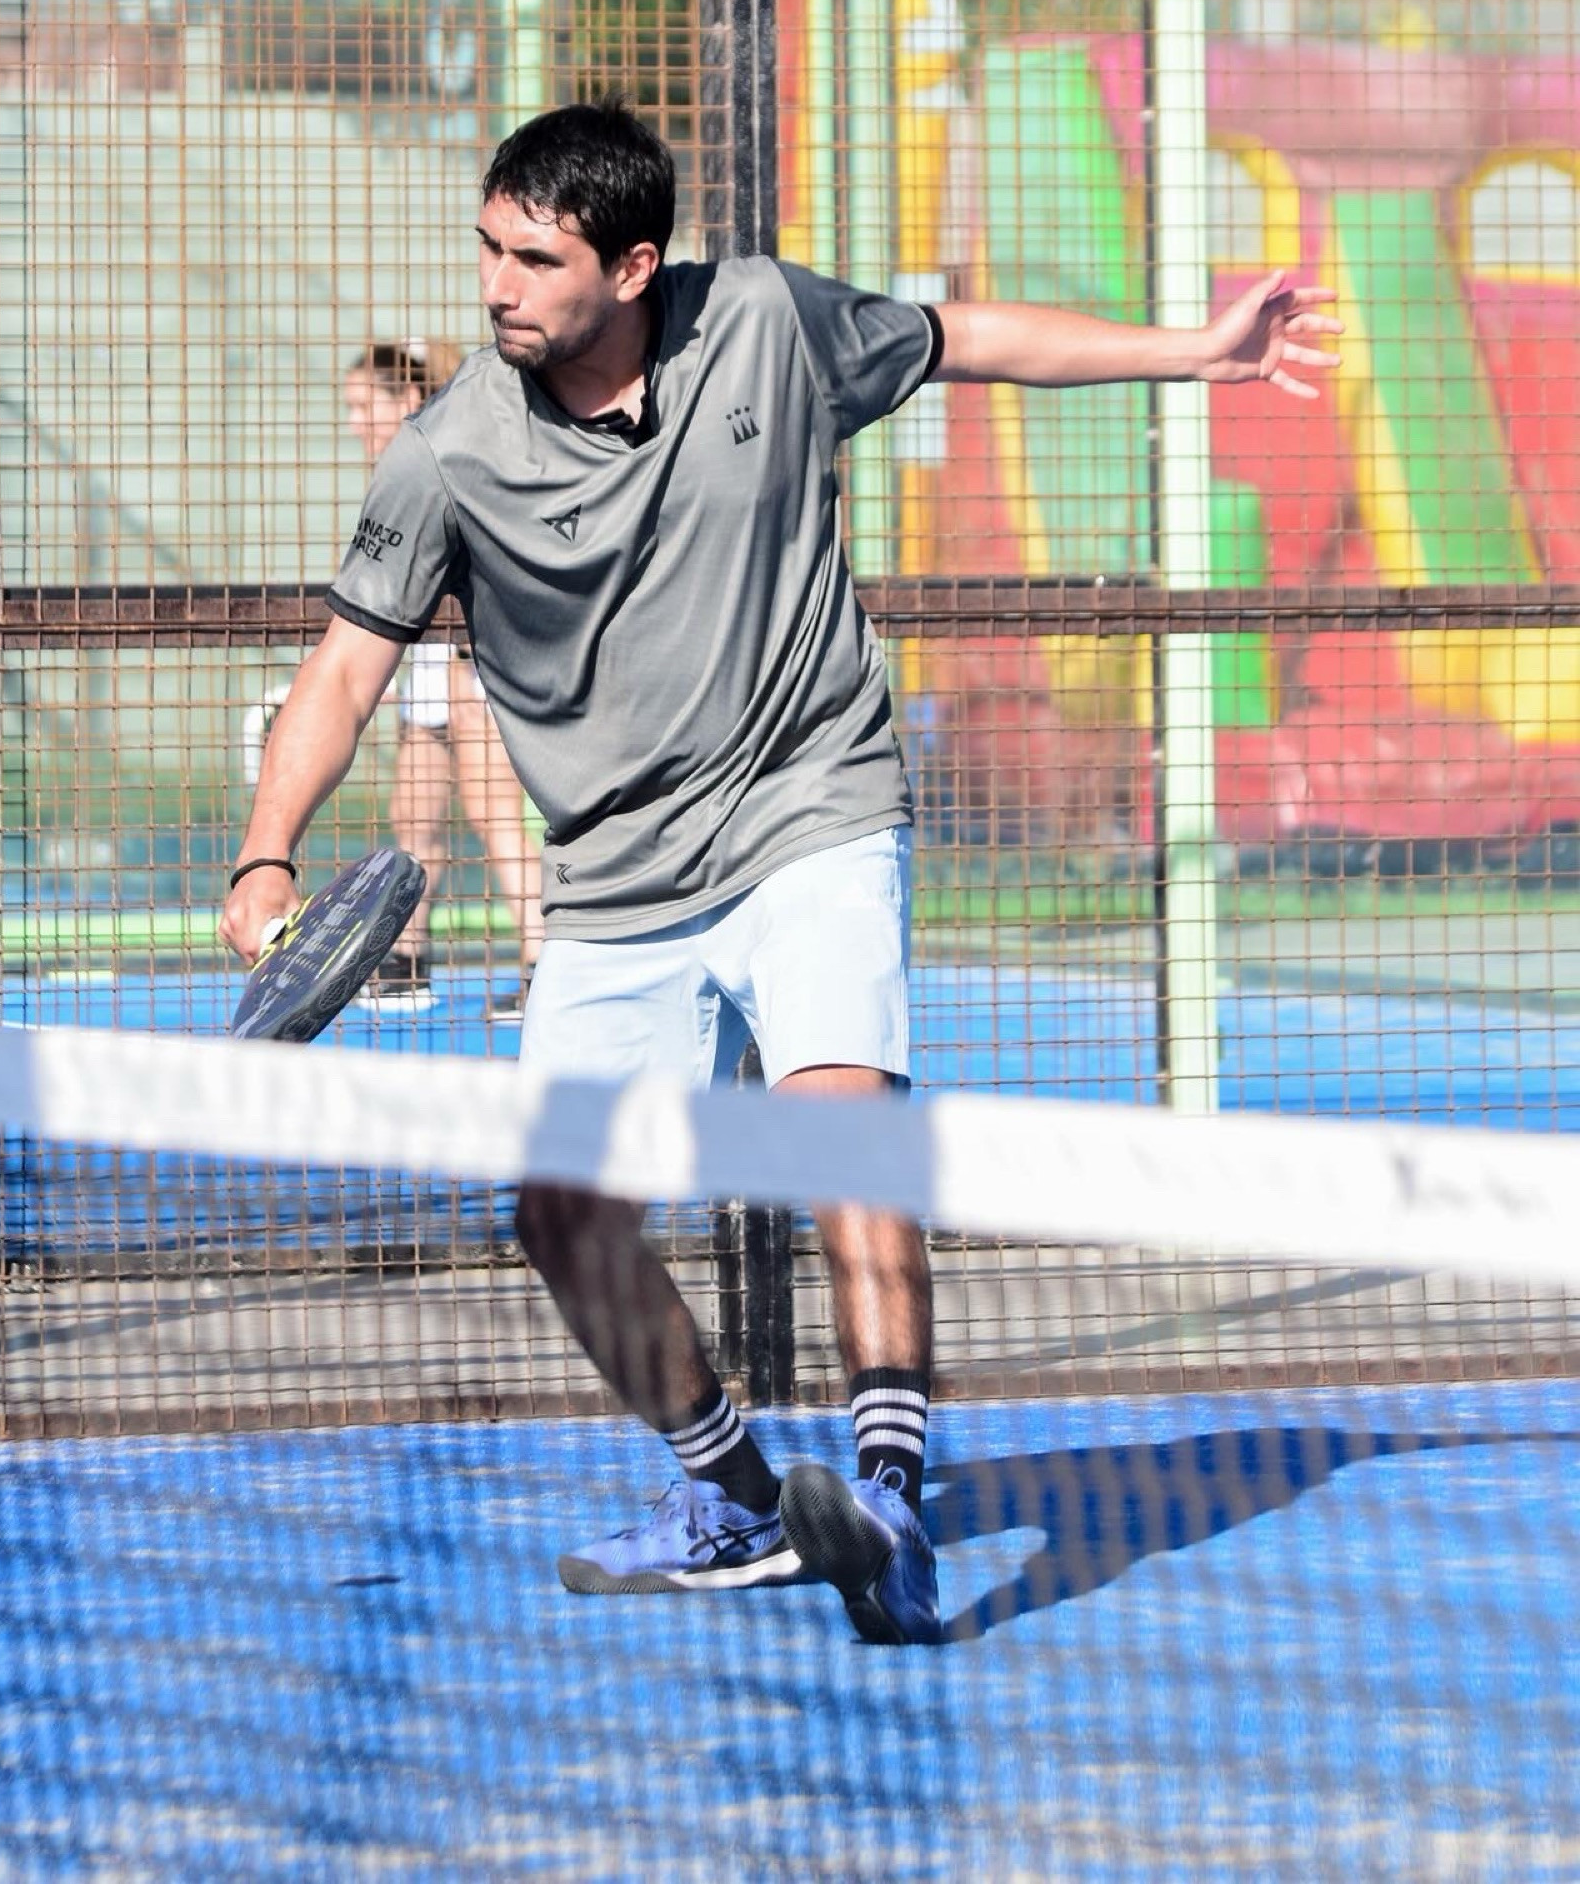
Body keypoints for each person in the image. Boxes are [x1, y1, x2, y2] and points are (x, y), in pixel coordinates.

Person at [220, 100, 1339, 1644]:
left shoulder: (762, 322)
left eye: (534, 261)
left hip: (810, 801)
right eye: (487, 249)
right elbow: (347, 667)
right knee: (560, 1212)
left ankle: (889, 1502)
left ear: (633, 265)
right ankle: (737, 1494)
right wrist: (263, 852)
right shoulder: (448, 453)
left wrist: (1195, 352)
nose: (495, 287)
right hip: (616, 872)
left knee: (843, 1131)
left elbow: (966, 339)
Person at [337, 340, 545, 1011]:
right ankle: (406, 956)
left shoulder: (450, 452)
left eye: (365, 406)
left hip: (469, 657)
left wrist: (460, 665)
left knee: (493, 811)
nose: (354, 422)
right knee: (414, 811)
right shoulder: (398, 468)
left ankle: (545, 961)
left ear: (407, 399)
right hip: (428, 656)